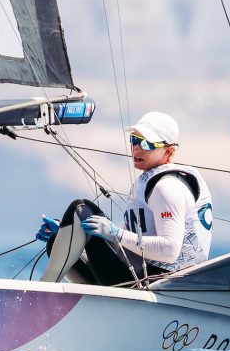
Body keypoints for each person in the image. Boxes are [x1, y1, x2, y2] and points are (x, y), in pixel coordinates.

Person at [36, 111, 213, 286]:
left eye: (146, 144)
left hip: (159, 283)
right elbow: (130, 247)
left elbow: (170, 251)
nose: (136, 148)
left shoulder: (166, 187)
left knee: (81, 210)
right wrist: (67, 232)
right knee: (56, 241)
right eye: (134, 140)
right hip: (142, 275)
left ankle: (41, 292)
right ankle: (85, 301)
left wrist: (116, 233)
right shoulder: (154, 181)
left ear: (169, 151)